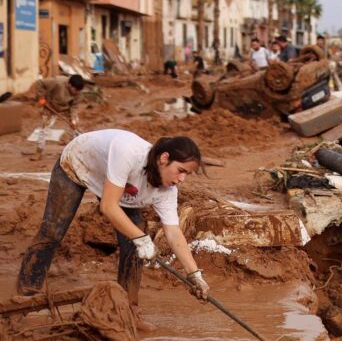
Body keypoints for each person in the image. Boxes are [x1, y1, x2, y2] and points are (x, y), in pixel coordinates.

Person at [17, 129, 211, 329]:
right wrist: (142, 238)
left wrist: (194, 274)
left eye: (186, 174)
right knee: (52, 233)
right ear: (164, 158)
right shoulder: (128, 152)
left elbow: (173, 232)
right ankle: (25, 300)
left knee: (134, 248)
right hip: (78, 165)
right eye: (181, 170)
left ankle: (128, 312)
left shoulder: (167, 190)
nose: (181, 179)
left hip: (116, 185)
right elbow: (108, 207)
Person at [33, 74, 85, 160]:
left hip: (66, 109)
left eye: (78, 91)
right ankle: (39, 151)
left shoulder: (78, 93)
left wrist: (72, 119)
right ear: (69, 84)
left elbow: (74, 107)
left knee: (75, 128)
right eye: (75, 89)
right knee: (44, 128)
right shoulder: (57, 82)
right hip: (50, 106)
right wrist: (41, 97)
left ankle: (76, 152)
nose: (76, 92)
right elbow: (40, 83)